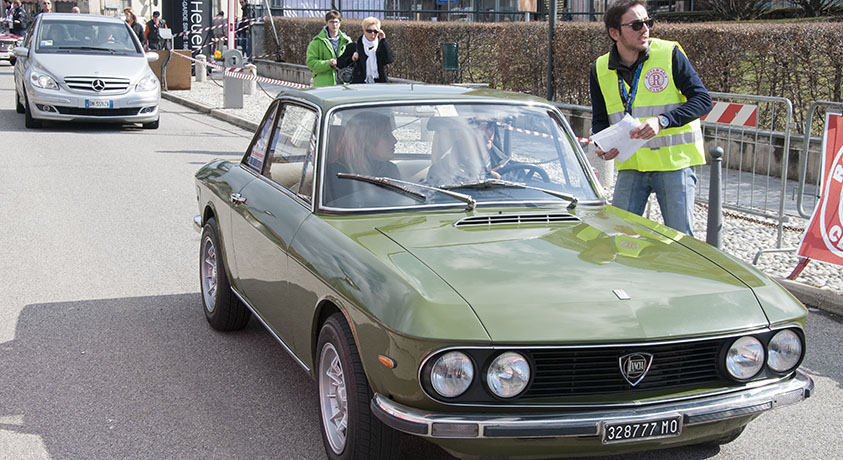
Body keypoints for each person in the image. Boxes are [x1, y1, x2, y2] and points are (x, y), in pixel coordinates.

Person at [589, 0, 712, 236]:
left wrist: (663, 121)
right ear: (615, 33)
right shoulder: (599, 68)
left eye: (648, 22)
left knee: (679, 240)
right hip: (632, 165)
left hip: (674, 165)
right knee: (619, 237)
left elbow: (703, 100)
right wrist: (602, 144)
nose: (645, 29)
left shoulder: (669, 53)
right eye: (636, 25)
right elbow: (600, 119)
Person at [324, 111, 399, 204]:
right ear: (364, 141)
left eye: (391, 133)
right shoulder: (335, 176)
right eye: (385, 135)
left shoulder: (390, 169)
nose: (395, 140)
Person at [337, 16, 394, 84]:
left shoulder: (381, 45)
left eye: (375, 31)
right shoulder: (354, 47)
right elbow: (340, 63)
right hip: (359, 85)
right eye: (369, 31)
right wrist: (351, 59)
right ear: (364, 31)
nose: (372, 34)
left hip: (379, 84)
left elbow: (389, 60)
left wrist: (383, 39)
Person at [305, 10, 351, 87]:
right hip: (324, 85)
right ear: (326, 23)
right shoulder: (317, 42)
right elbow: (311, 63)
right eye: (331, 22)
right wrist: (328, 63)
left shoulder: (347, 41)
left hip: (344, 84)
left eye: (336, 22)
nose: (334, 24)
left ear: (340, 23)